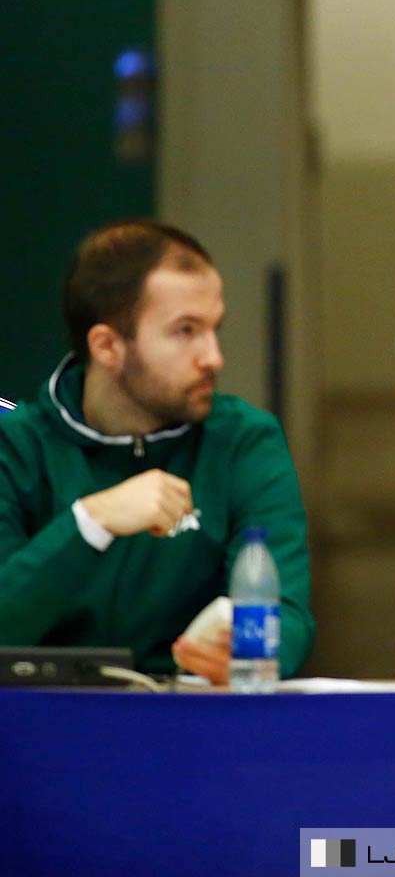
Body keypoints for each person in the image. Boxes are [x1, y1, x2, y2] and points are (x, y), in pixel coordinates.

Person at [0, 221, 314, 683]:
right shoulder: (17, 445)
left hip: (192, 722)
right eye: (186, 331)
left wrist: (250, 654)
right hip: (37, 731)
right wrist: (90, 523)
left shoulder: (244, 440)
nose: (213, 356)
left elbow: (286, 613)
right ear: (108, 347)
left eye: (215, 329)